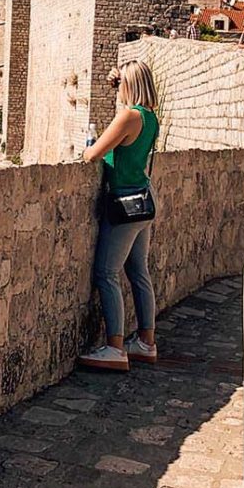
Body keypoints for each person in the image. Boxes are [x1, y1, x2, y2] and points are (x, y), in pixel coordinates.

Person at [78, 60, 160, 372]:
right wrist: (118, 86)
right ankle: (146, 343)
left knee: (106, 272)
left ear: (129, 84)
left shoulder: (128, 116)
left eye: (120, 82)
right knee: (139, 271)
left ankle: (114, 347)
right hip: (143, 201)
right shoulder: (150, 118)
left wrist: (89, 145)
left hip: (123, 203)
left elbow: (93, 154)